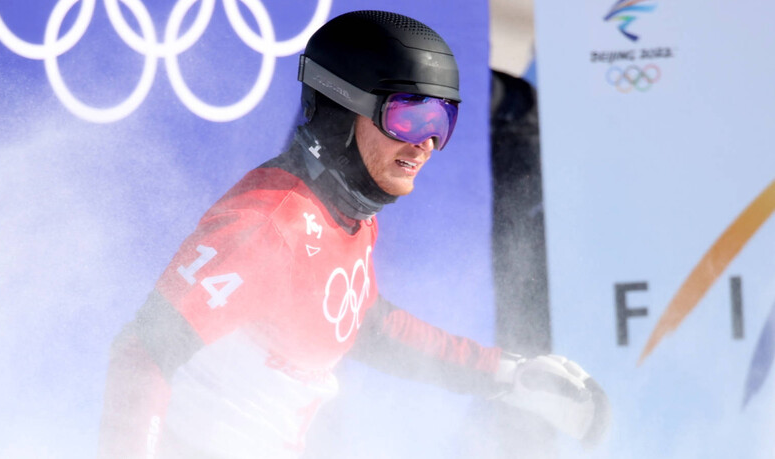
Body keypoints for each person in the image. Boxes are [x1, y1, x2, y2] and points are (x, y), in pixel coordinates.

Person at [98, 10, 609, 458]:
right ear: (342, 112)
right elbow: (143, 353)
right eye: (410, 117)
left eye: (441, 120)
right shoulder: (271, 224)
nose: (427, 144)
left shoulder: (348, 213)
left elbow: (363, 323)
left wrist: (505, 375)